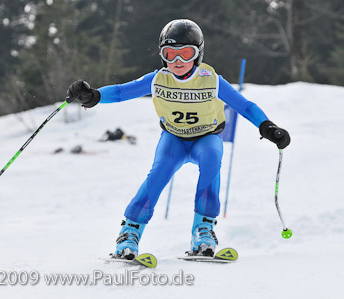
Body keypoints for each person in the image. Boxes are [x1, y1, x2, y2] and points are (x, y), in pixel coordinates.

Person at [67, 19, 290, 260]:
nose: (177, 62)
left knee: (212, 161)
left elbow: (244, 106)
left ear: (198, 54)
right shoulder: (158, 79)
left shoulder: (211, 80)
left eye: (185, 54)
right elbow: (122, 91)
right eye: (170, 54)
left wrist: (267, 127)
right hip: (174, 140)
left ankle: (203, 229)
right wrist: (93, 96)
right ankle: (129, 232)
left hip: (206, 138)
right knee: (159, 173)